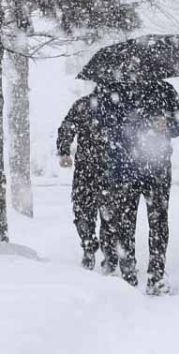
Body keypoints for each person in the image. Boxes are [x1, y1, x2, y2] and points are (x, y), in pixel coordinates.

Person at [96, 80, 179, 296]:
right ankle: (128, 276)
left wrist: (168, 124)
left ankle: (156, 275)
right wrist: (130, 126)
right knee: (126, 223)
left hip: (158, 169)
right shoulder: (114, 90)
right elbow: (103, 124)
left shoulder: (165, 90)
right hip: (126, 169)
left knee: (158, 222)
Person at [57, 86, 112, 271]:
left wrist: (65, 150)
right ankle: (106, 251)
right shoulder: (117, 104)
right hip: (107, 169)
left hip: (88, 168)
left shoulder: (84, 104)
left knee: (84, 210)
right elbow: (68, 126)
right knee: (108, 213)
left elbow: (67, 126)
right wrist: (64, 150)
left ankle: (91, 245)